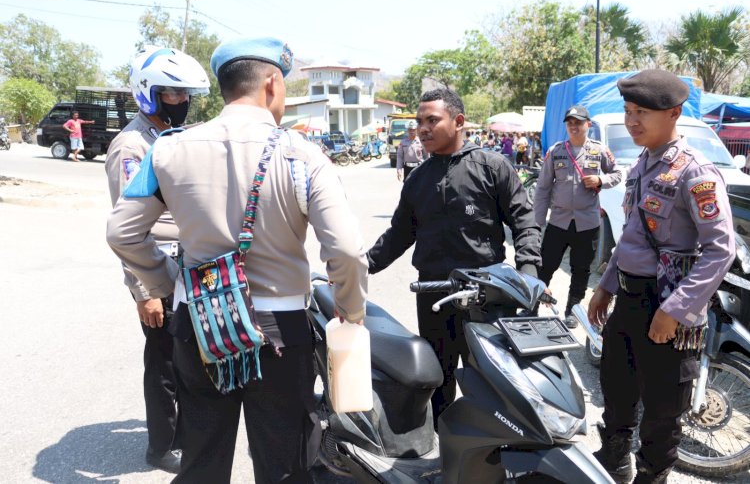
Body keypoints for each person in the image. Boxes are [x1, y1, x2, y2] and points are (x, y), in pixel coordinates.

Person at [107, 36, 368, 484]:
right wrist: (351, 308)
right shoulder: (303, 153)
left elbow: (122, 231)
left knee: (202, 457)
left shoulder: (166, 149)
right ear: (271, 83)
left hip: (201, 323)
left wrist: (170, 283)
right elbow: (345, 250)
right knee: (285, 461)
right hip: (281, 331)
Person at [587, 69, 735, 483]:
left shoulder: (696, 173)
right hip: (630, 301)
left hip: (668, 305)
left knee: (661, 411)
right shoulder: (640, 166)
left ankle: (651, 478)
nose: (632, 120)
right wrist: (605, 286)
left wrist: (676, 310)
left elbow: (721, 250)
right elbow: (632, 236)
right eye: (628, 111)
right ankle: (613, 465)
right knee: (616, 396)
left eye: (643, 113)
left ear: (674, 114)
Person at [368, 88, 542, 426]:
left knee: (493, 382)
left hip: (488, 297)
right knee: (438, 381)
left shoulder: (493, 166)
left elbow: (524, 221)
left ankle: (495, 461)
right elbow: (399, 235)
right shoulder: (417, 179)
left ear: (458, 121)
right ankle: (445, 457)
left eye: (432, 120)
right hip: (435, 297)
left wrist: (528, 272)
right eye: (419, 122)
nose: (423, 128)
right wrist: (360, 266)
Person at [104, 45, 210, 474]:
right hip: (157, 270)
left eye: (186, 95)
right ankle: (162, 445)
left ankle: (188, 432)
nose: (182, 102)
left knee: (186, 357)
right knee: (164, 361)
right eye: (172, 94)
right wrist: (144, 291)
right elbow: (126, 228)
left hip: (186, 266)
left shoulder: (168, 135)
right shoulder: (131, 146)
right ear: (149, 93)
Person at [534, 105, 622, 328]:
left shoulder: (599, 151)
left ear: (588, 125)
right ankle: (532, 303)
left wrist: (601, 181)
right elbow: (543, 188)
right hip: (559, 222)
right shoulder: (556, 152)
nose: (574, 126)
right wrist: (537, 222)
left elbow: (618, 173)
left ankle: (572, 309)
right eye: (570, 122)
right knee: (545, 265)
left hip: (587, 223)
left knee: (581, 269)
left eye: (578, 122)